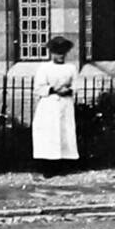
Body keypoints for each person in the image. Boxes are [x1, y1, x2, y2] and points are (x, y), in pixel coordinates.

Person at [33, 36, 79, 175]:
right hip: (49, 104)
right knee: (49, 134)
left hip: (65, 104)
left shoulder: (71, 68)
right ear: (52, 53)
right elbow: (38, 87)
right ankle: (48, 167)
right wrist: (53, 90)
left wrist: (69, 90)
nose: (61, 56)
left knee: (65, 132)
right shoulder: (44, 68)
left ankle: (63, 166)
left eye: (63, 53)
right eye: (58, 53)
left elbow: (76, 85)